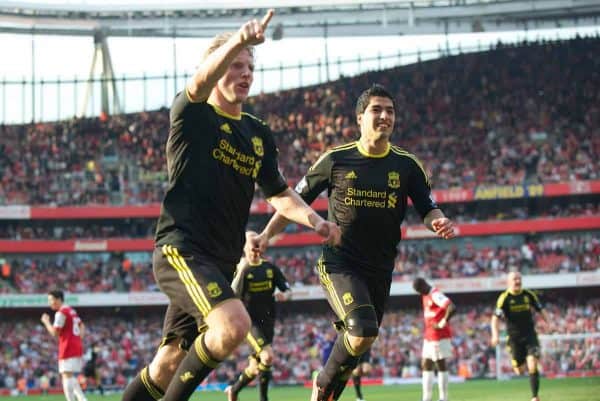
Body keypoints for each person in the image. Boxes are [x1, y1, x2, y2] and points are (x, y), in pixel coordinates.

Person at [120, 9, 341, 401]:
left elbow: (279, 193)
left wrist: (315, 221)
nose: (245, 73)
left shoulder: (257, 133)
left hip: (220, 263)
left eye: (250, 66)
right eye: (235, 64)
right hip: (181, 250)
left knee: (168, 362)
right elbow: (200, 81)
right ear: (215, 67)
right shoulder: (192, 114)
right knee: (232, 325)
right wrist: (239, 40)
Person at [249, 84, 456, 401]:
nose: (384, 116)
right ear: (360, 117)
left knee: (360, 341)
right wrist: (265, 235)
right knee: (362, 331)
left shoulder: (407, 165)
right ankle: (321, 386)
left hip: (381, 269)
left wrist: (437, 220)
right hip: (339, 262)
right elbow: (294, 201)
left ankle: (329, 391)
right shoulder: (336, 159)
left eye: (390, 110)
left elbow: (428, 207)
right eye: (377, 109)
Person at [225, 247, 291, 401]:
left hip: (268, 321)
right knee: (267, 356)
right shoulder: (244, 270)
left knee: (255, 368)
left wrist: (285, 295)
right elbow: (235, 297)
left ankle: (233, 390)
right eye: (251, 249)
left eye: (257, 249)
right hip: (250, 322)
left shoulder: (270, 268)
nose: (254, 252)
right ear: (245, 250)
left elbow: (288, 290)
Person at [491, 271, 549, 401]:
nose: (517, 281)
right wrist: (495, 335)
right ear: (508, 282)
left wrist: (549, 323)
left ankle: (535, 396)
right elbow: (495, 319)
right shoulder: (504, 298)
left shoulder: (528, 295)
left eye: (519, 278)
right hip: (514, 338)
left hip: (530, 335)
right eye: (514, 279)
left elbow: (541, 309)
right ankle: (518, 362)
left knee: (532, 363)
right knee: (519, 371)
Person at [413, 277, 456, 401]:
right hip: (429, 336)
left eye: (420, 290)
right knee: (426, 364)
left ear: (424, 285)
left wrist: (442, 322)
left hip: (439, 336)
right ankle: (426, 398)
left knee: (441, 364)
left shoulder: (435, 294)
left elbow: (452, 307)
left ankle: (443, 397)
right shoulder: (425, 295)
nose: (420, 293)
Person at [41, 290, 88, 401]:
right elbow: (82, 325)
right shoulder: (70, 310)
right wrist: (78, 339)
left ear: (58, 299)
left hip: (67, 346)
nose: (49, 303)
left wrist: (46, 322)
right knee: (69, 376)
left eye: (51, 300)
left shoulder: (61, 312)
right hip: (75, 345)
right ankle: (82, 399)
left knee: (66, 376)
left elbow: (54, 332)